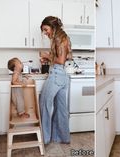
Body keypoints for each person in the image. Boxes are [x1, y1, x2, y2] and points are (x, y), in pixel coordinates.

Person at [39, 16, 72, 144]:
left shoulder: (59, 38)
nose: (45, 32)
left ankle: (45, 139)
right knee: (61, 108)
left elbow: (61, 60)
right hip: (62, 75)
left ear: (52, 27)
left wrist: (46, 55)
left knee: (44, 105)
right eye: (43, 30)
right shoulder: (64, 37)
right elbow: (61, 59)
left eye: (46, 29)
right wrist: (49, 58)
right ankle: (62, 137)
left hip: (57, 74)